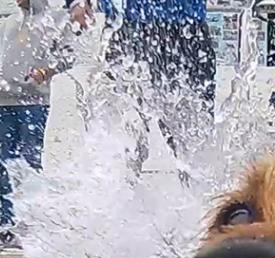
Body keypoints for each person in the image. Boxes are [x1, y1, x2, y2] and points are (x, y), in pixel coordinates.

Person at [89, 0, 216, 177]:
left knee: (193, 141)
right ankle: (124, 194)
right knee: (127, 129)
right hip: (130, 24)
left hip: (185, 26)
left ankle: (198, 195)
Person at [0, 0, 74, 248]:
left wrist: (45, 71)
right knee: (6, 162)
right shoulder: (8, 22)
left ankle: (30, 226)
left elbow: (69, 56)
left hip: (34, 102)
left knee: (30, 162)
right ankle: (7, 226)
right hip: (2, 103)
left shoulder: (56, 19)